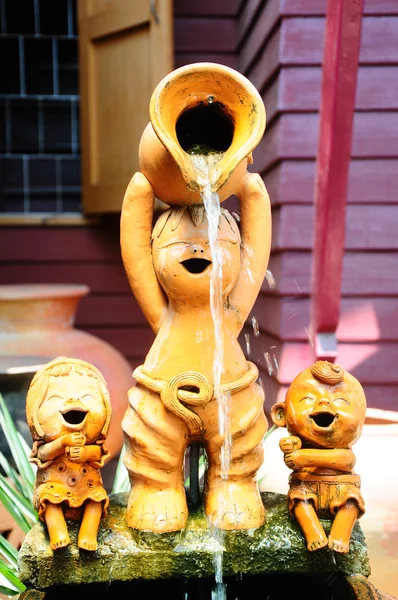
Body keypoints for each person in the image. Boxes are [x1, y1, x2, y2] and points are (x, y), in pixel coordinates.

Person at [120, 170, 271, 532]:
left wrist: (251, 190)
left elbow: (255, 258)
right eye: (179, 244)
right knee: (153, 432)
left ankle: (233, 482)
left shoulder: (230, 317)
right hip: (165, 387)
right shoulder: (165, 316)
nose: (199, 250)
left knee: (242, 427)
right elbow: (134, 252)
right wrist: (142, 189)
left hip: (228, 388)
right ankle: (157, 485)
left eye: (215, 243)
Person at [271, 360, 366, 553]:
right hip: (307, 486)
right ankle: (313, 533)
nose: (324, 403)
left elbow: (344, 461)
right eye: (307, 399)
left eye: (341, 401)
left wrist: (303, 458)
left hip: (341, 488)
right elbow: (292, 461)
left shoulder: (344, 453)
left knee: (351, 503)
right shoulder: (298, 444)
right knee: (299, 501)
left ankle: (340, 534)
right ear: (282, 415)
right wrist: (291, 449)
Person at [26, 357, 111, 550]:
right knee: (49, 500)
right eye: (56, 399)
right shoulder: (47, 444)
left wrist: (84, 453)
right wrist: (62, 442)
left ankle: (88, 534)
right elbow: (44, 454)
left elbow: (97, 454)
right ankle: (58, 532)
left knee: (97, 499)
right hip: (55, 488)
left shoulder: (91, 443)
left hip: (86, 488)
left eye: (87, 397)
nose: (73, 401)